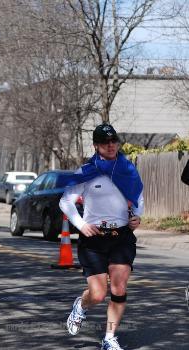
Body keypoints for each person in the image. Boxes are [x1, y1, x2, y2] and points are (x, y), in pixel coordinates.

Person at [59, 124, 144, 350]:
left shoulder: (127, 169)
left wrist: (137, 217)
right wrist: (81, 224)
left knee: (119, 288)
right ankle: (81, 306)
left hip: (122, 236)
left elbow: (138, 197)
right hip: (94, 239)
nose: (111, 145)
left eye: (114, 141)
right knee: (97, 294)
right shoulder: (86, 171)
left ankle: (109, 338)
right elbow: (65, 201)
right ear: (96, 145)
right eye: (105, 142)